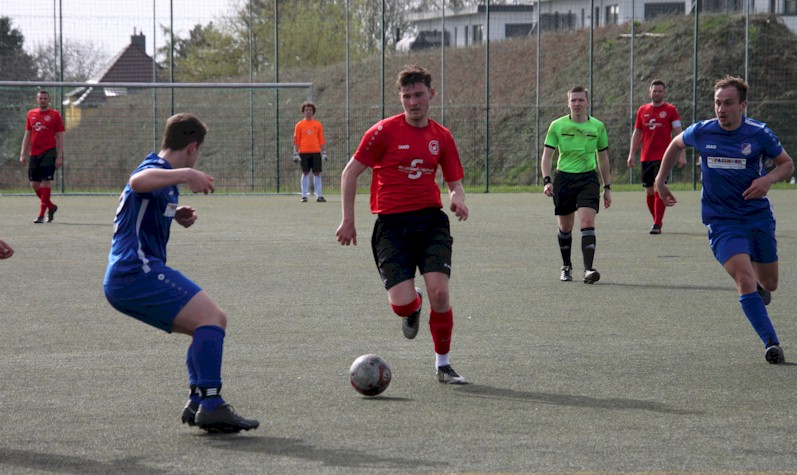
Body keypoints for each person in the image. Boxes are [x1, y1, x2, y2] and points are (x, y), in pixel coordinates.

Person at [103, 113, 260, 432]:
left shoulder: (159, 171)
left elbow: (144, 202)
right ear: (192, 147)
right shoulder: (157, 170)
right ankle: (212, 404)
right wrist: (188, 173)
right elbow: (137, 183)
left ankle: (198, 400)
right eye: (198, 153)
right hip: (137, 271)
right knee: (213, 319)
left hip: (128, 275)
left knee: (206, 325)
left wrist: (175, 214)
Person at [336, 64, 469, 385]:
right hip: (391, 228)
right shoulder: (382, 131)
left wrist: (457, 197)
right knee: (403, 304)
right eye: (407, 96)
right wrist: (348, 220)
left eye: (419, 95)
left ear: (431, 95)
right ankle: (414, 304)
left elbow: (455, 181)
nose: (413, 102)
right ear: (400, 98)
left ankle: (444, 365)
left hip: (430, 223)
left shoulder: (442, 137)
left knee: (441, 292)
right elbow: (349, 173)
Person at [655, 76, 794, 364]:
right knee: (743, 277)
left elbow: (787, 164)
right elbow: (675, 144)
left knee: (770, 282)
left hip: (757, 217)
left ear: (742, 105)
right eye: (718, 103)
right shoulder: (703, 132)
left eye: (728, 103)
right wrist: (660, 179)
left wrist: (768, 180)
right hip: (721, 221)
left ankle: (759, 288)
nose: (721, 109)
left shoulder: (759, 133)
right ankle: (771, 342)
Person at [541, 86, 612, 284]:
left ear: (588, 102)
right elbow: (546, 157)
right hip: (563, 179)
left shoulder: (598, 126)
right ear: (568, 103)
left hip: (588, 179)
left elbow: (603, 159)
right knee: (565, 227)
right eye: (573, 100)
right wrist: (547, 181)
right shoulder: (557, 125)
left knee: (587, 222)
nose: (577, 104)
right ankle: (567, 266)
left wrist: (607, 187)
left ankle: (588, 270)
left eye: (581, 100)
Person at [627, 79, 686, 234]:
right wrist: (631, 153)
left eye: (660, 91)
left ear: (664, 92)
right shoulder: (642, 110)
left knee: (658, 186)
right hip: (646, 156)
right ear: (650, 92)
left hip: (665, 156)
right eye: (655, 91)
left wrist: (681, 154)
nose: (657, 93)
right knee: (649, 191)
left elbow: (679, 133)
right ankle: (656, 220)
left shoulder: (671, 110)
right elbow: (638, 132)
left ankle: (657, 224)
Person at [20, 90, 64, 224]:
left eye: (45, 98)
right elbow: (27, 134)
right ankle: (51, 206)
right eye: (41, 98)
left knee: (46, 182)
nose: (43, 100)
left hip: (49, 152)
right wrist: (23, 153)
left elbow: (60, 136)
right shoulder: (31, 114)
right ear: (37, 100)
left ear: (48, 100)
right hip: (34, 153)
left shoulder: (55, 115)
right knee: (34, 184)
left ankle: (41, 215)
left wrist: (59, 156)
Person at [293, 101, 328, 202]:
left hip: (316, 152)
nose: (308, 112)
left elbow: (321, 139)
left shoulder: (317, 124)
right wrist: (296, 153)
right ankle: (304, 196)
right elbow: (296, 140)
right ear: (303, 112)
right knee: (305, 172)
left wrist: (324, 152)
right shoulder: (299, 125)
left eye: (310, 110)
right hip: (304, 152)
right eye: (306, 110)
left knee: (317, 173)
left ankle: (319, 195)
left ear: (313, 112)